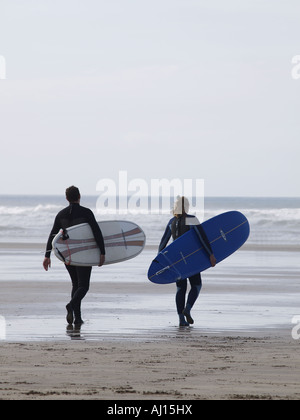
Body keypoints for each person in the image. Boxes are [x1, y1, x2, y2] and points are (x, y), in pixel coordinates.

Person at [43, 186, 105, 326]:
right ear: (79, 196)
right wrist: (102, 252)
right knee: (84, 286)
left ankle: (78, 318)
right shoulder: (86, 212)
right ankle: (71, 306)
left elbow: (53, 235)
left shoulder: (61, 214)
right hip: (83, 254)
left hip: (68, 255)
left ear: (67, 198)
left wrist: (47, 255)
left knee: (76, 284)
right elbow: (96, 232)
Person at [158, 196, 216, 327]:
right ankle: (188, 309)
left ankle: (181, 320)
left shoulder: (171, 222)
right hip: (190, 259)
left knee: (180, 288)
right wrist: (211, 254)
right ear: (186, 207)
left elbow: (162, 244)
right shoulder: (191, 219)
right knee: (196, 286)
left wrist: (159, 261)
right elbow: (202, 238)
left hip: (176, 261)